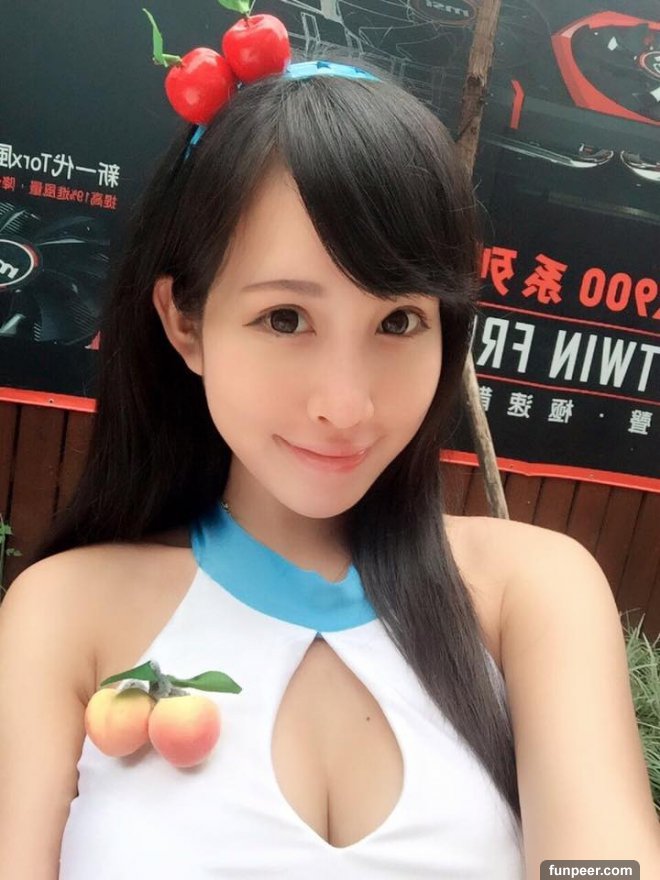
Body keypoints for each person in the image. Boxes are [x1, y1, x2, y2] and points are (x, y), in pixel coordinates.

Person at [0, 46, 658, 880]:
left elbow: (603, 864)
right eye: (285, 318)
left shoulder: (531, 594)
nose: (346, 406)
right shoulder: (66, 614)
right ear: (186, 324)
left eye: (398, 322)